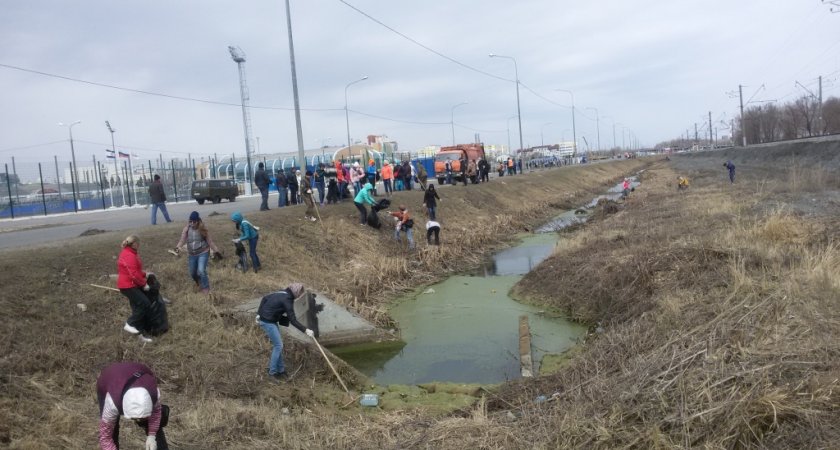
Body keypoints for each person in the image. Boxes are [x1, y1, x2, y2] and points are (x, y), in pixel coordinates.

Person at [96, 362, 170, 450]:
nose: (137, 421)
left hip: (138, 373)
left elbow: (156, 414)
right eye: (135, 418)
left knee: (156, 423)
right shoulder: (112, 403)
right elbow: (105, 437)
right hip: (108, 380)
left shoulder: (153, 394)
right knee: (112, 431)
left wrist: (152, 436)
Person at [256, 283, 315, 383]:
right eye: (300, 292)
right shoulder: (287, 299)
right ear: (295, 291)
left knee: (278, 345)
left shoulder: (282, 292)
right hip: (267, 322)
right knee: (278, 345)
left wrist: (259, 313)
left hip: (270, 320)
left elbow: (265, 298)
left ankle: (281, 371)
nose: (300, 295)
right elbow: (292, 320)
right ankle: (272, 373)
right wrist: (305, 330)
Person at [117, 235, 155, 343]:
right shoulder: (129, 255)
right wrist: (144, 284)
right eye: (138, 243)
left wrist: (145, 274)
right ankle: (130, 324)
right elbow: (133, 274)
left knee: (137, 308)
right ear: (134, 244)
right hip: (127, 286)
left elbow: (135, 270)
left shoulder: (130, 253)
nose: (139, 245)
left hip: (131, 284)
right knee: (145, 304)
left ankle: (139, 334)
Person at [175, 211, 221, 294]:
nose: (192, 223)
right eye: (190, 221)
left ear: (198, 221)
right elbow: (182, 240)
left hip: (203, 252)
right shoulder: (186, 229)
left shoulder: (202, 229)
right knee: (192, 273)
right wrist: (178, 247)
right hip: (192, 254)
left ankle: (206, 288)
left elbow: (210, 242)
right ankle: (199, 282)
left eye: (194, 222)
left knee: (201, 271)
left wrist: (216, 250)